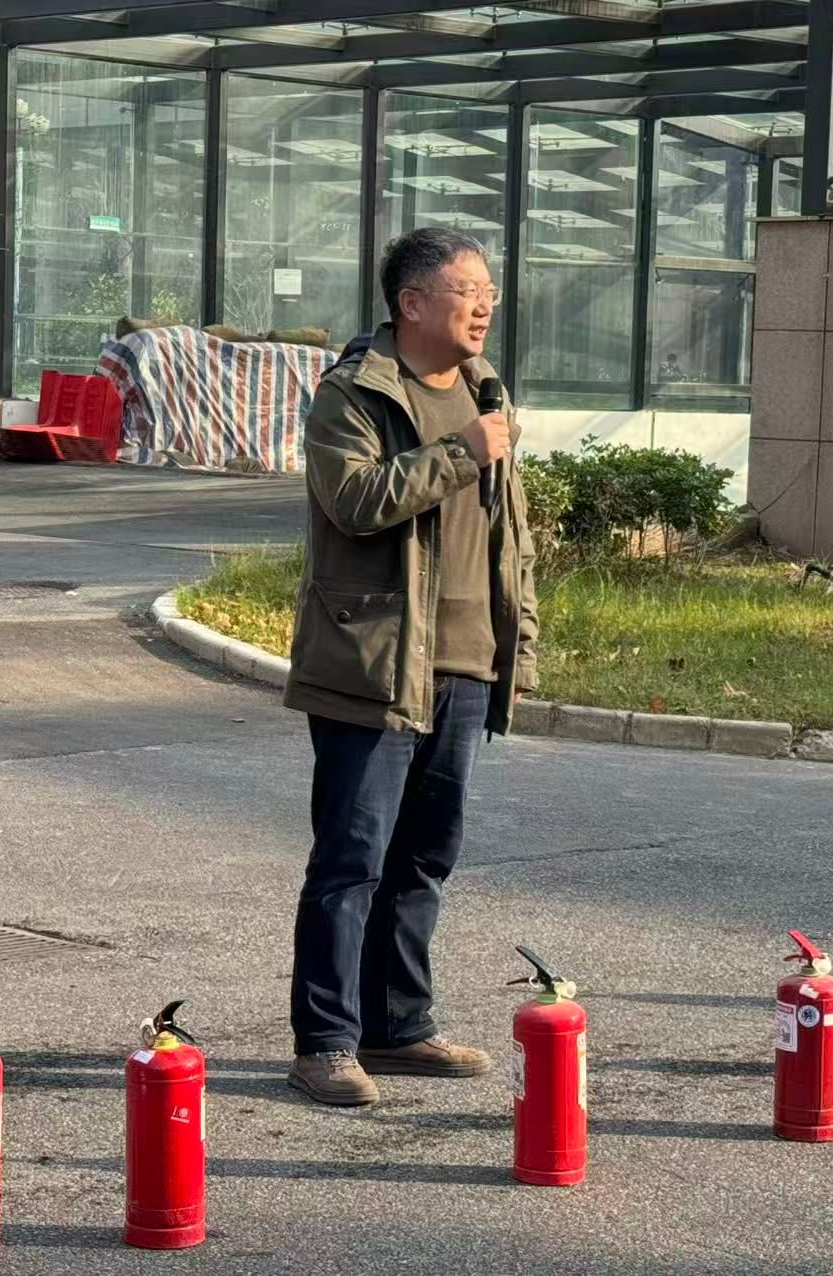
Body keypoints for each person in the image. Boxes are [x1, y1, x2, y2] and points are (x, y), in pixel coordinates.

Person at [283, 228, 539, 1106]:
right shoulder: (353, 394)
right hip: (373, 664)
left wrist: (519, 642)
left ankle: (398, 1027)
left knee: (425, 856)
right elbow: (355, 501)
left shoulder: (485, 391)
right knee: (351, 858)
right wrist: (462, 451)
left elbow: (510, 537)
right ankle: (325, 1043)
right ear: (412, 302)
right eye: (468, 288)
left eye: (489, 289)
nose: (485, 304)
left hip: (465, 663)